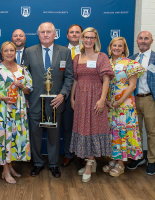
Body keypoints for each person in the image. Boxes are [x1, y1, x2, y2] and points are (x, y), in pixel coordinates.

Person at [23, 22, 74, 178]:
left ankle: (53, 164)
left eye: (48, 32)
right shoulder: (29, 51)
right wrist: (25, 97)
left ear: (54, 34)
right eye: (42, 32)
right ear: (38, 35)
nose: (45, 34)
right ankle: (37, 163)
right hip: (34, 101)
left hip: (56, 102)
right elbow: (24, 76)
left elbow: (69, 76)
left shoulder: (65, 52)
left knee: (53, 135)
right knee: (35, 135)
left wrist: (63, 94)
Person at [0, 41, 32, 184]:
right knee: (4, 137)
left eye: (12, 50)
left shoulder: (22, 69)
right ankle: (5, 171)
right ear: (1, 52)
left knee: (14, 138)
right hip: (2, 109)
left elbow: (28, 90)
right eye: (6, 50)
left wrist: (22, 86)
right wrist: (2, 97)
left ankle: (10, 166)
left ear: (15, 52)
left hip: (18, 110)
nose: (9, 53)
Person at [69, 27, 114, 182]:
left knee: (94, 128)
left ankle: (89, 163)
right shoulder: (77, 58)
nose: (88, 40)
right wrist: (72, 98)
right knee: (84, 129)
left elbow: (107, 80)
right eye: (85, 37)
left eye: (91, 37)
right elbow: (75, 79)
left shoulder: (101, 56)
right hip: (81, 98)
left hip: (95, 97)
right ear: (82, 39)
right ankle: (90, 161)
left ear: (96, 39)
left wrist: (102, 99)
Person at [128, 31, 155, 175]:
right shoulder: (132, 59)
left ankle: (151, 160)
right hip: (133, 100)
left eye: (146, 38)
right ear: (137, 41)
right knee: (136, 131)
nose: (143, 41)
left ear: (151, 40)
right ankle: (138, 157)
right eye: (141, 38)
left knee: (152, 132)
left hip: (150, 100)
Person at [103, 37, 145, 177]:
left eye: (119, 46)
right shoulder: (106, 63)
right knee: (112, 132)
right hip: (109, 105)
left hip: (124, 106)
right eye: (114, 45)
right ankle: (115, 159)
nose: (116, 48)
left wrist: (119, 101)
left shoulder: (131, 64)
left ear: (124, 48)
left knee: (122, 132)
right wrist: (108, 101)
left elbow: (132, 85)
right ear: (110, 47)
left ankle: (121, 163)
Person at [61, 24, 83, 167]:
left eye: (77, 32)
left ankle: (82, 154)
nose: (74, 34)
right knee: (67, 126)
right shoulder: (61, 51)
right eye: (72, 32)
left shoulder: (89, 52)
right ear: (67, 35)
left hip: (84, 96)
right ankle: (68, 154)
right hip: (66, 95)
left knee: (83, 127)